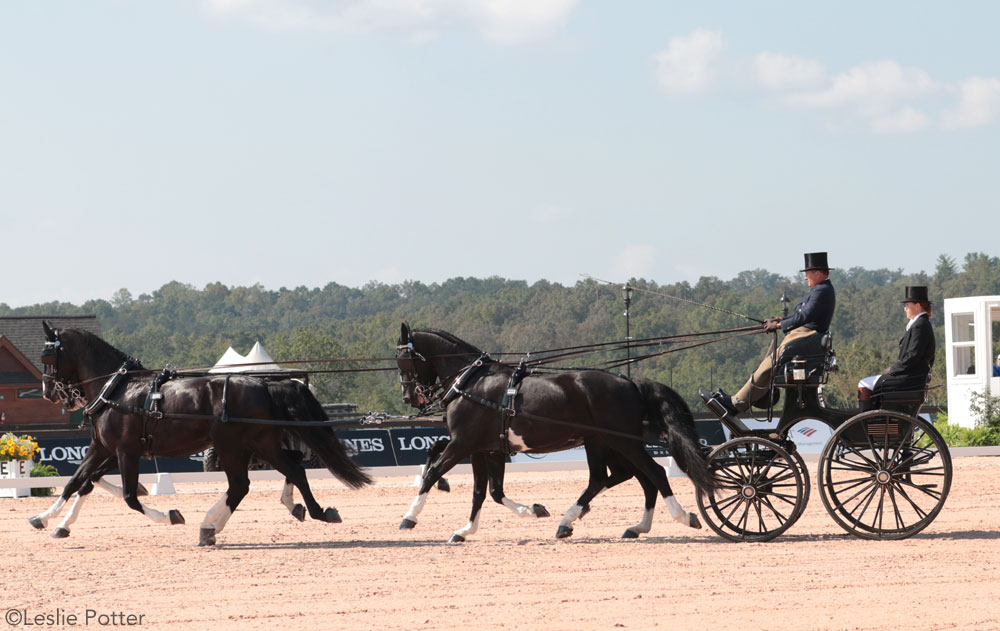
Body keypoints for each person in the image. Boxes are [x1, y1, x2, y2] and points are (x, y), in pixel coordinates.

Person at [709, 252, 836, 417]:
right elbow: (804, 314)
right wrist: (781, 319)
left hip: (806, 335)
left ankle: (736, 404)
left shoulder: (822, 290)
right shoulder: (820, 289)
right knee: (767, 364)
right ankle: (738, 400)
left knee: (768, 365)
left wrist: (779, 325)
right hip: (803, 334)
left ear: (818, 273)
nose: (805, 278)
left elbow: (806, 316)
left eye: (807, 273)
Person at [857, 286, 936, 407]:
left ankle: (867, 421)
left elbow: (913, 356)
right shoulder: (920, 324)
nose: (905, 309)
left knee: (864, 383)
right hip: (912, 376)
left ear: (917, 305)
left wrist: (893, 370)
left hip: (910, 379)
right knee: (870, 381)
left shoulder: (920, 325)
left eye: (907, 305)